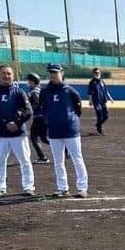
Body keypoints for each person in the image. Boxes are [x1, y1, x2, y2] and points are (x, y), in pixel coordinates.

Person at [0, 64, 34, 197]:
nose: (6, 76)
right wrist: (5, 123)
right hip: (0, 133)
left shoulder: (19, 92)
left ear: (13, 76)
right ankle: (0, 187)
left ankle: (29, 187)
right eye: (3, 73)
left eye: (9, 74)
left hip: (18, 133)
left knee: (25, 160)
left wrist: (17, 123)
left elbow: (28, 111)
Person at [42, 64, 88, 198]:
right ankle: (62, 188)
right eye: (51, 72)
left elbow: (78, 110)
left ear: (62, 73)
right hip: (54, 131)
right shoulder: (45, 92)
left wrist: (70, 120)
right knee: (58, 161)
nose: (53, 75)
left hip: (70, 130)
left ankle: (82, 188)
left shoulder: (71, 91)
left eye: (56, 72)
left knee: (77, 158)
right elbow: (44, 108)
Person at [25, 73, 50, 163]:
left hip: (39, 118)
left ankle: (42, 158)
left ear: (33, 82)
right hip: (45, 118)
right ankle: (64, 148)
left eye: (29, 81)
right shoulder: (41, 90)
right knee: (44, 138)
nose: (28, 83)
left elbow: (36, 104)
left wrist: (29, 105)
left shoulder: (33, 92)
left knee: (33, 137)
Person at [87, 67, 114, 135]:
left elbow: (106, 91)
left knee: (106, 116)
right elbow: (90, 93)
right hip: (96, 101)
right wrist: (90, 101)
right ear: (93, 74)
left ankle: (98, 124)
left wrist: (111, 98)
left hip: (103, 101)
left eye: (98, 72)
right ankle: (100, 131)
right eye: (96, 73)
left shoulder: (102, 81)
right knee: (99, 116)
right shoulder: (92, 82)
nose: (97, 74)